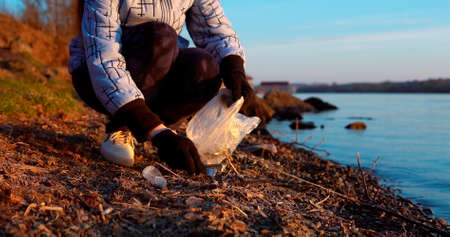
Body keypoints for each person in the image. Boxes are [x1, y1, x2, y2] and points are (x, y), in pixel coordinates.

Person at [69, 0, 259, 174]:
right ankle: (125, 125)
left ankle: (154, 124)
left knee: (206, 66)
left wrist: (234, 69)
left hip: (160, 65)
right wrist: (159, 135)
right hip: (93, 74)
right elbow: (103, 57)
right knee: (161, 37)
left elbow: (214, 30)